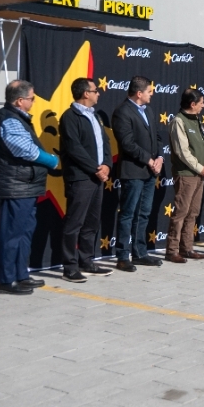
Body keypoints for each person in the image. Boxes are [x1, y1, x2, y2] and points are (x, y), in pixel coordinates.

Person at [0, 80, 59, 294]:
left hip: (26, 186)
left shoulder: (18, 118)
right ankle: (6, 281)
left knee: (24, 233)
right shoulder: (9, 119)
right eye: (32, 98)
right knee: (12, 234)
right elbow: (24, 150)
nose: (33, 101)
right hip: (15, 187)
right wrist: (51, 160)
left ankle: (21, 275)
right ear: (20, 101)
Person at [57, 77, 114, 282]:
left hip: (98, 176)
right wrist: (95, 169)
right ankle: (70, 267)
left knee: (91, 222)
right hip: (81, 177)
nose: (98, 93)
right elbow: (74, 149)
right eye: (95, 90)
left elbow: (105, 143)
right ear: (85, 93)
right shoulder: (69, 117)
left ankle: (86, 261)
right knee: (75, 222)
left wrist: (107, 164)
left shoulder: (95, 116)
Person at [111, 76, 164, 271]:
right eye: (149, 91)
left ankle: (140, 252)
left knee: (144, 213)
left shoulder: (148, 110)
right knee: (128, 214)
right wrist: (149, 160)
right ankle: (122, 255)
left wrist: (159, 158)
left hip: (150, 171)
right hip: (133, 171)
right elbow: (127, 143)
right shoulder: (122, 112)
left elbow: (157, 136)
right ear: (139, 93)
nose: (152, 94)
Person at [167, 88, 204, 263]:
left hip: (199, 173)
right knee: (181, 211)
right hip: (186, 173)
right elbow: (182, 151)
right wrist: (199, 168)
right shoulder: (179, 121)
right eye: (201, 103)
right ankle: (172, 250)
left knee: (193, 212)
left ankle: (187, 248)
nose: (203, 105)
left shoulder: (197, 120)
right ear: (192, 104)